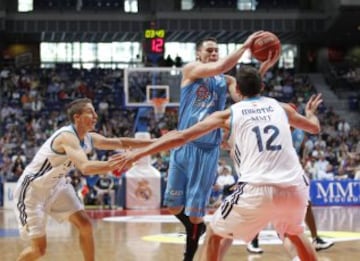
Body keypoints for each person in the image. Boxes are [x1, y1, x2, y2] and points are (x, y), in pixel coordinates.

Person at [117, 66, 322, 261]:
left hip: (258, 187)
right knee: (296, 233)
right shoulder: (282, 108)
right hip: (295, 188)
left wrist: (139, 153)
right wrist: (311, 112)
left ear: (237, 90)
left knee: (215, 232)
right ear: (262, 87)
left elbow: (180, 137)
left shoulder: (228, 114)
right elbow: (313, 128)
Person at [140, 31, 275, 261]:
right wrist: (244, 47)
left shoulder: (228, 81)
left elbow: (246, 99)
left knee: (194, 215)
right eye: (209, 50)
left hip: (207, 150)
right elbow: (220, 66)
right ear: (198, 54)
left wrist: (262, 69)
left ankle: (189, 256)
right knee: (173, 206)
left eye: (216, 50)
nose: (213, 53)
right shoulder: (191, 70)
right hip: (182, 145)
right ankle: (198, 229)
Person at [13, 98, 153, 261]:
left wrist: (155, 142)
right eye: (90, 112)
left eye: (94, 112)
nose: (95, 116)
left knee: (85, 225)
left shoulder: (87, 137)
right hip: (32, 192)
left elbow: (119, 142)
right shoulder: (67, 136)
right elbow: (85, 167)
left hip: (57, 186)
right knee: (39, 250)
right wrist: (118, 163)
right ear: (77, 117)